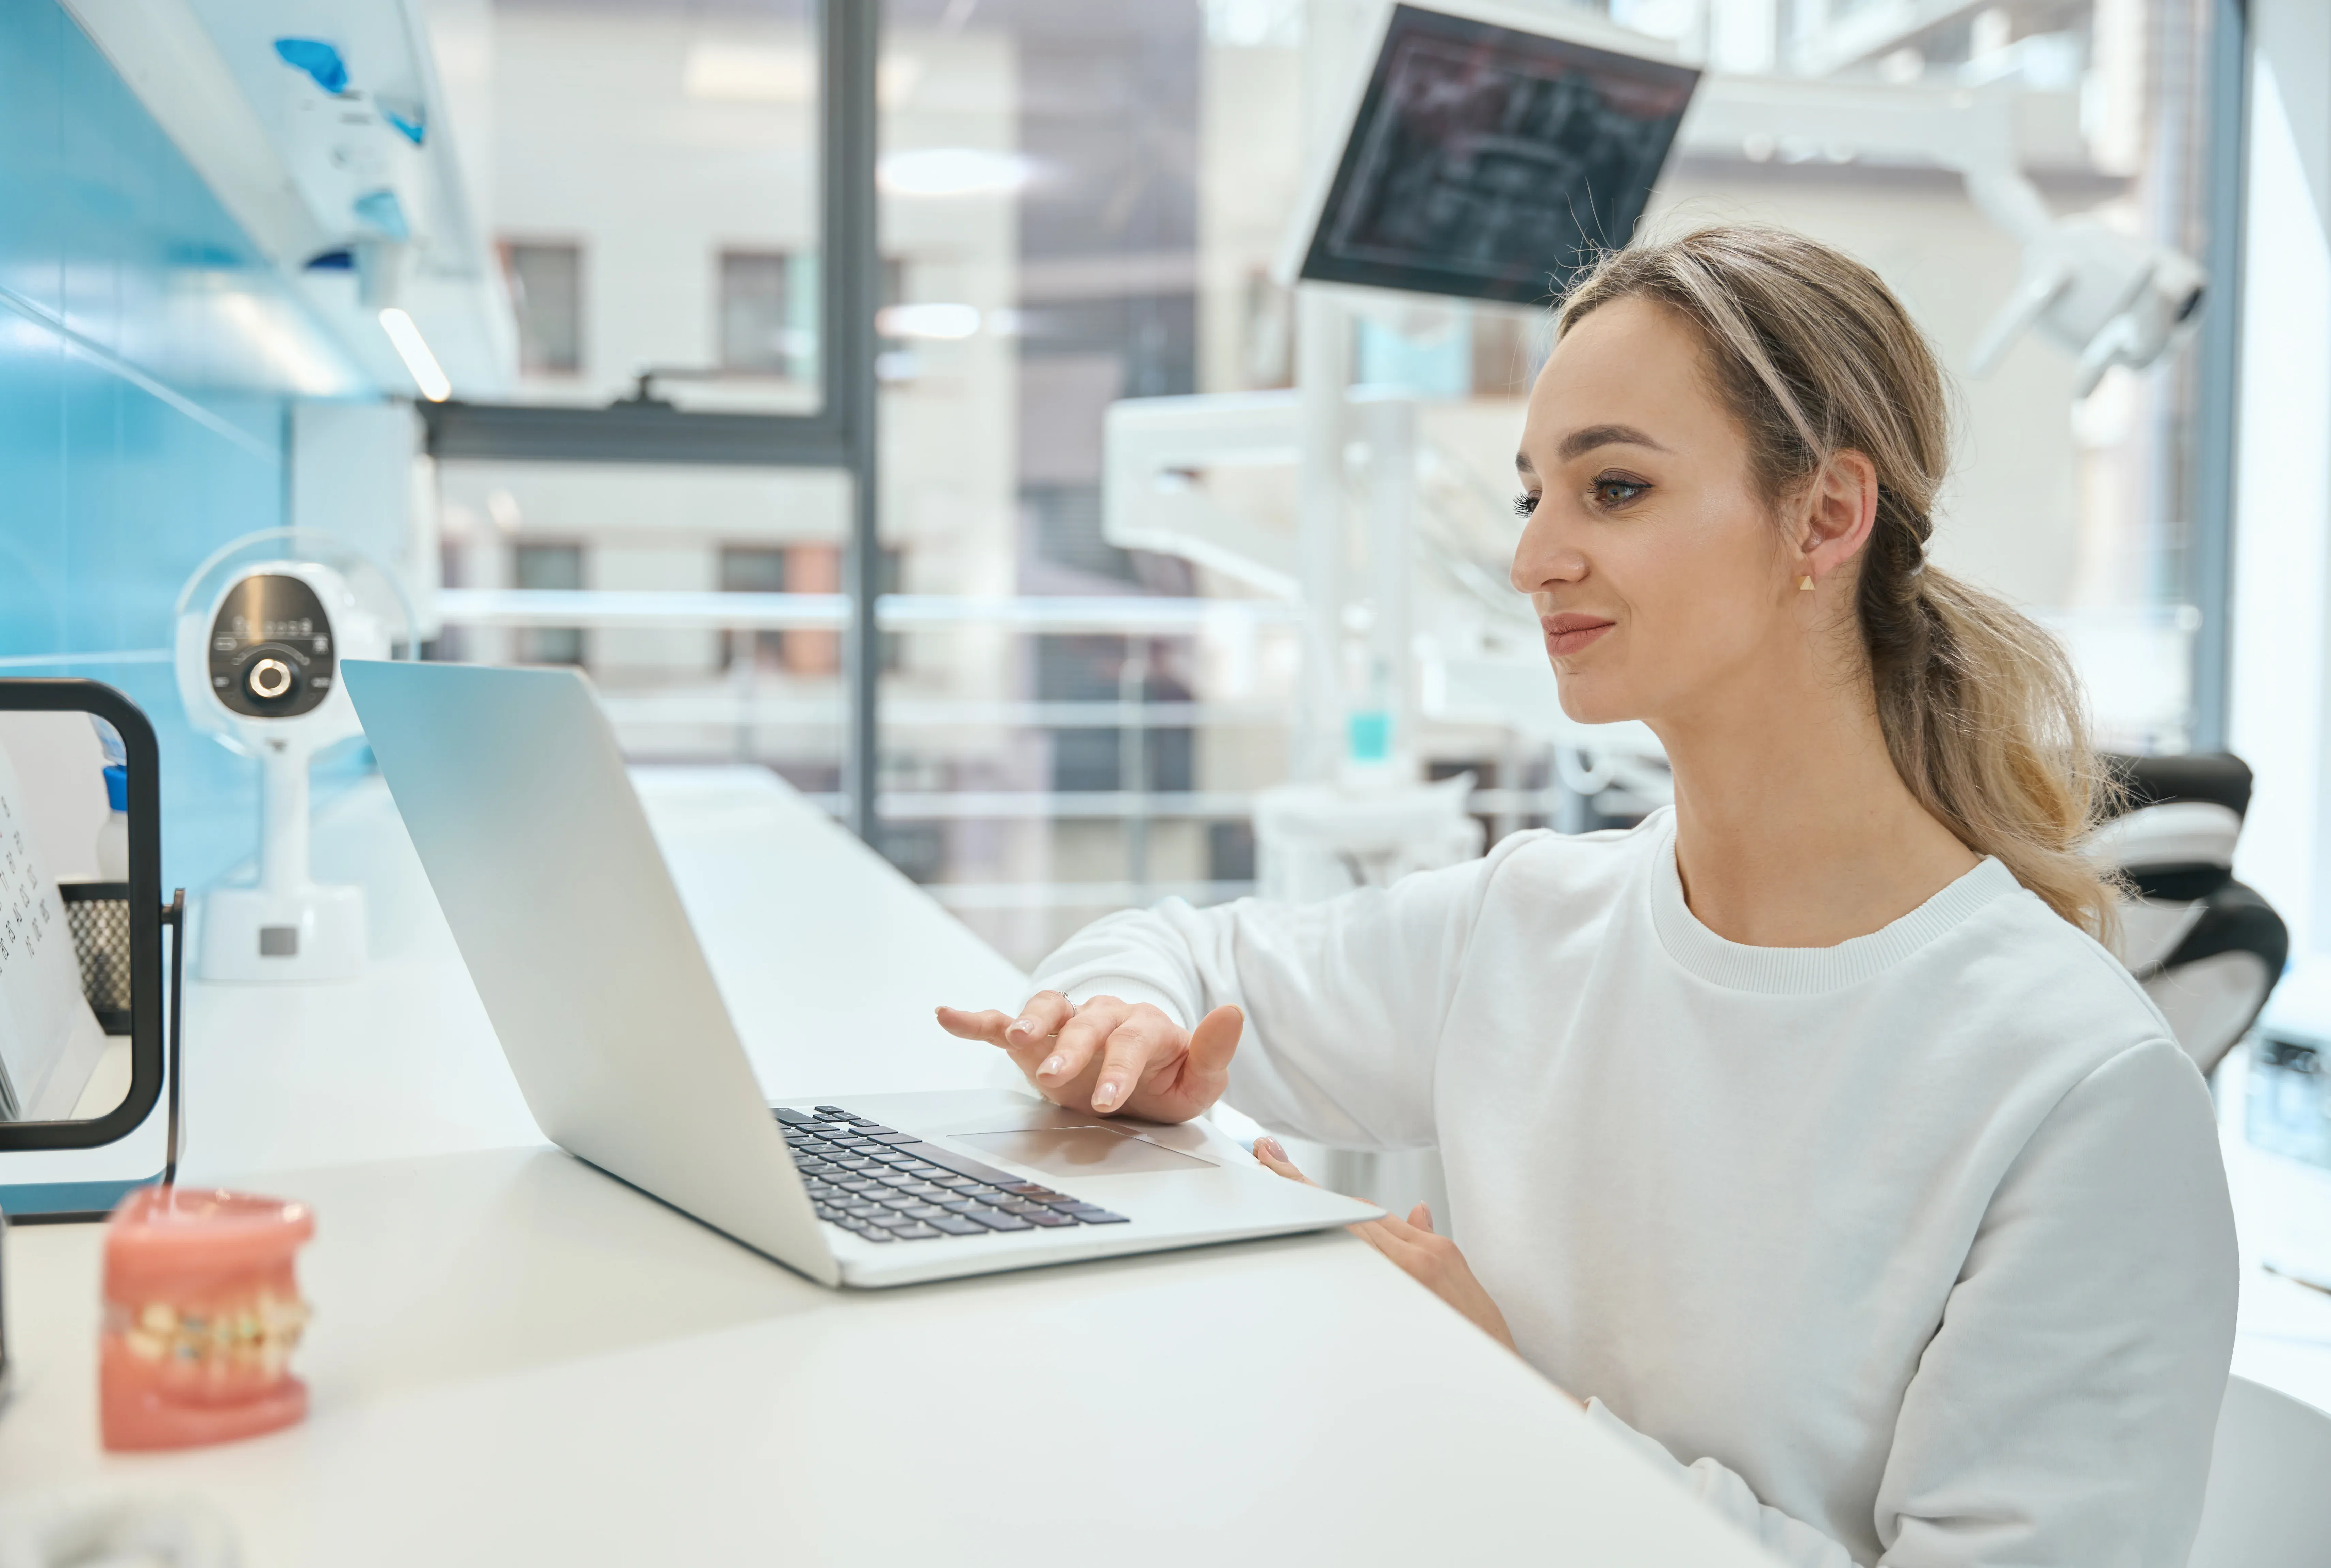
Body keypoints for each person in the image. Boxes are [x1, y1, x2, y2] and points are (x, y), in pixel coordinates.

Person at [936, 225, 2235, 1568]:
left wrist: (1517, 1409)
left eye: (1612, 489)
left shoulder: (2082, 1089)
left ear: (1828, 516)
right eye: (1532, 497)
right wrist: (1121, 1026)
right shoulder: (1530, 925)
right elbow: (1167, 951)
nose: (1534, 560)